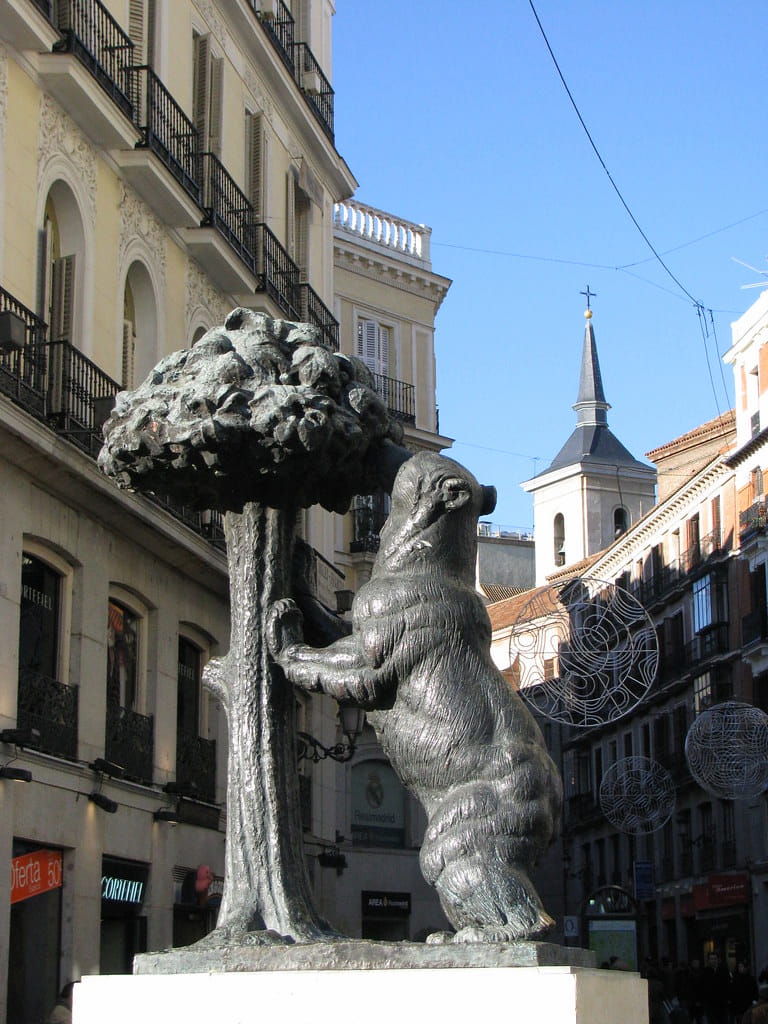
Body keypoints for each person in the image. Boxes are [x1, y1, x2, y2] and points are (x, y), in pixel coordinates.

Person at [701, 951, 731, 1024]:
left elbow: (728, 985)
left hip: (722, 1002)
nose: (713, 961)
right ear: (708, 960)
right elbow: (702, 986)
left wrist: (728, 998)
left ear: (718, 959)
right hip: (710, 1003)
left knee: (723, 1021)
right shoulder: (705, 971)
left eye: (715, 959)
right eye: (711, 959)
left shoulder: (724, 970)